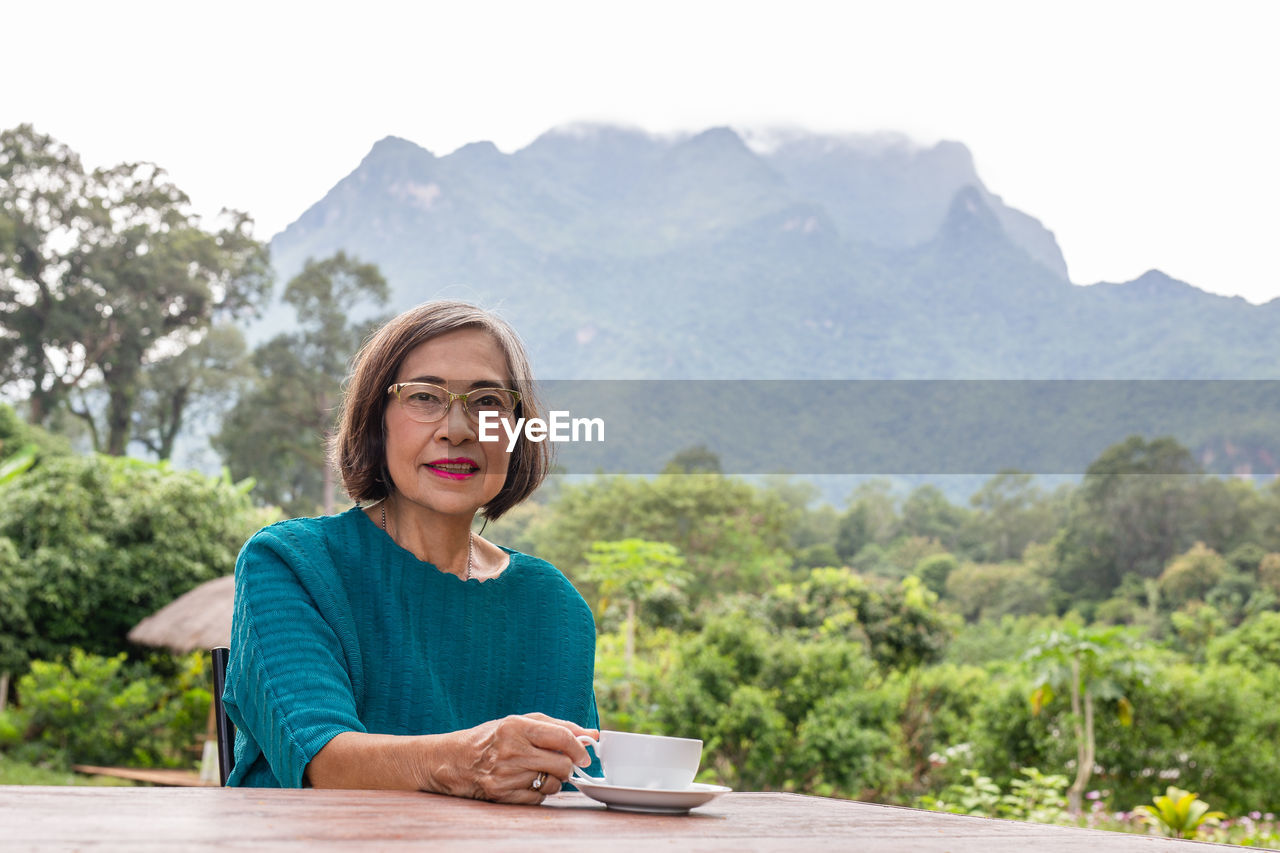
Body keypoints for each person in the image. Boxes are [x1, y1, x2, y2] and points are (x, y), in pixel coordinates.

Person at [222, 300, 599, 802]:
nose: (458, 429)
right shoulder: (291, 564)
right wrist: (468, 761)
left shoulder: (555, 606)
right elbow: (322, 759)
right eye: (424, 397)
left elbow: (574, 790)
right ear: (377, 421)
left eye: (488, 402)